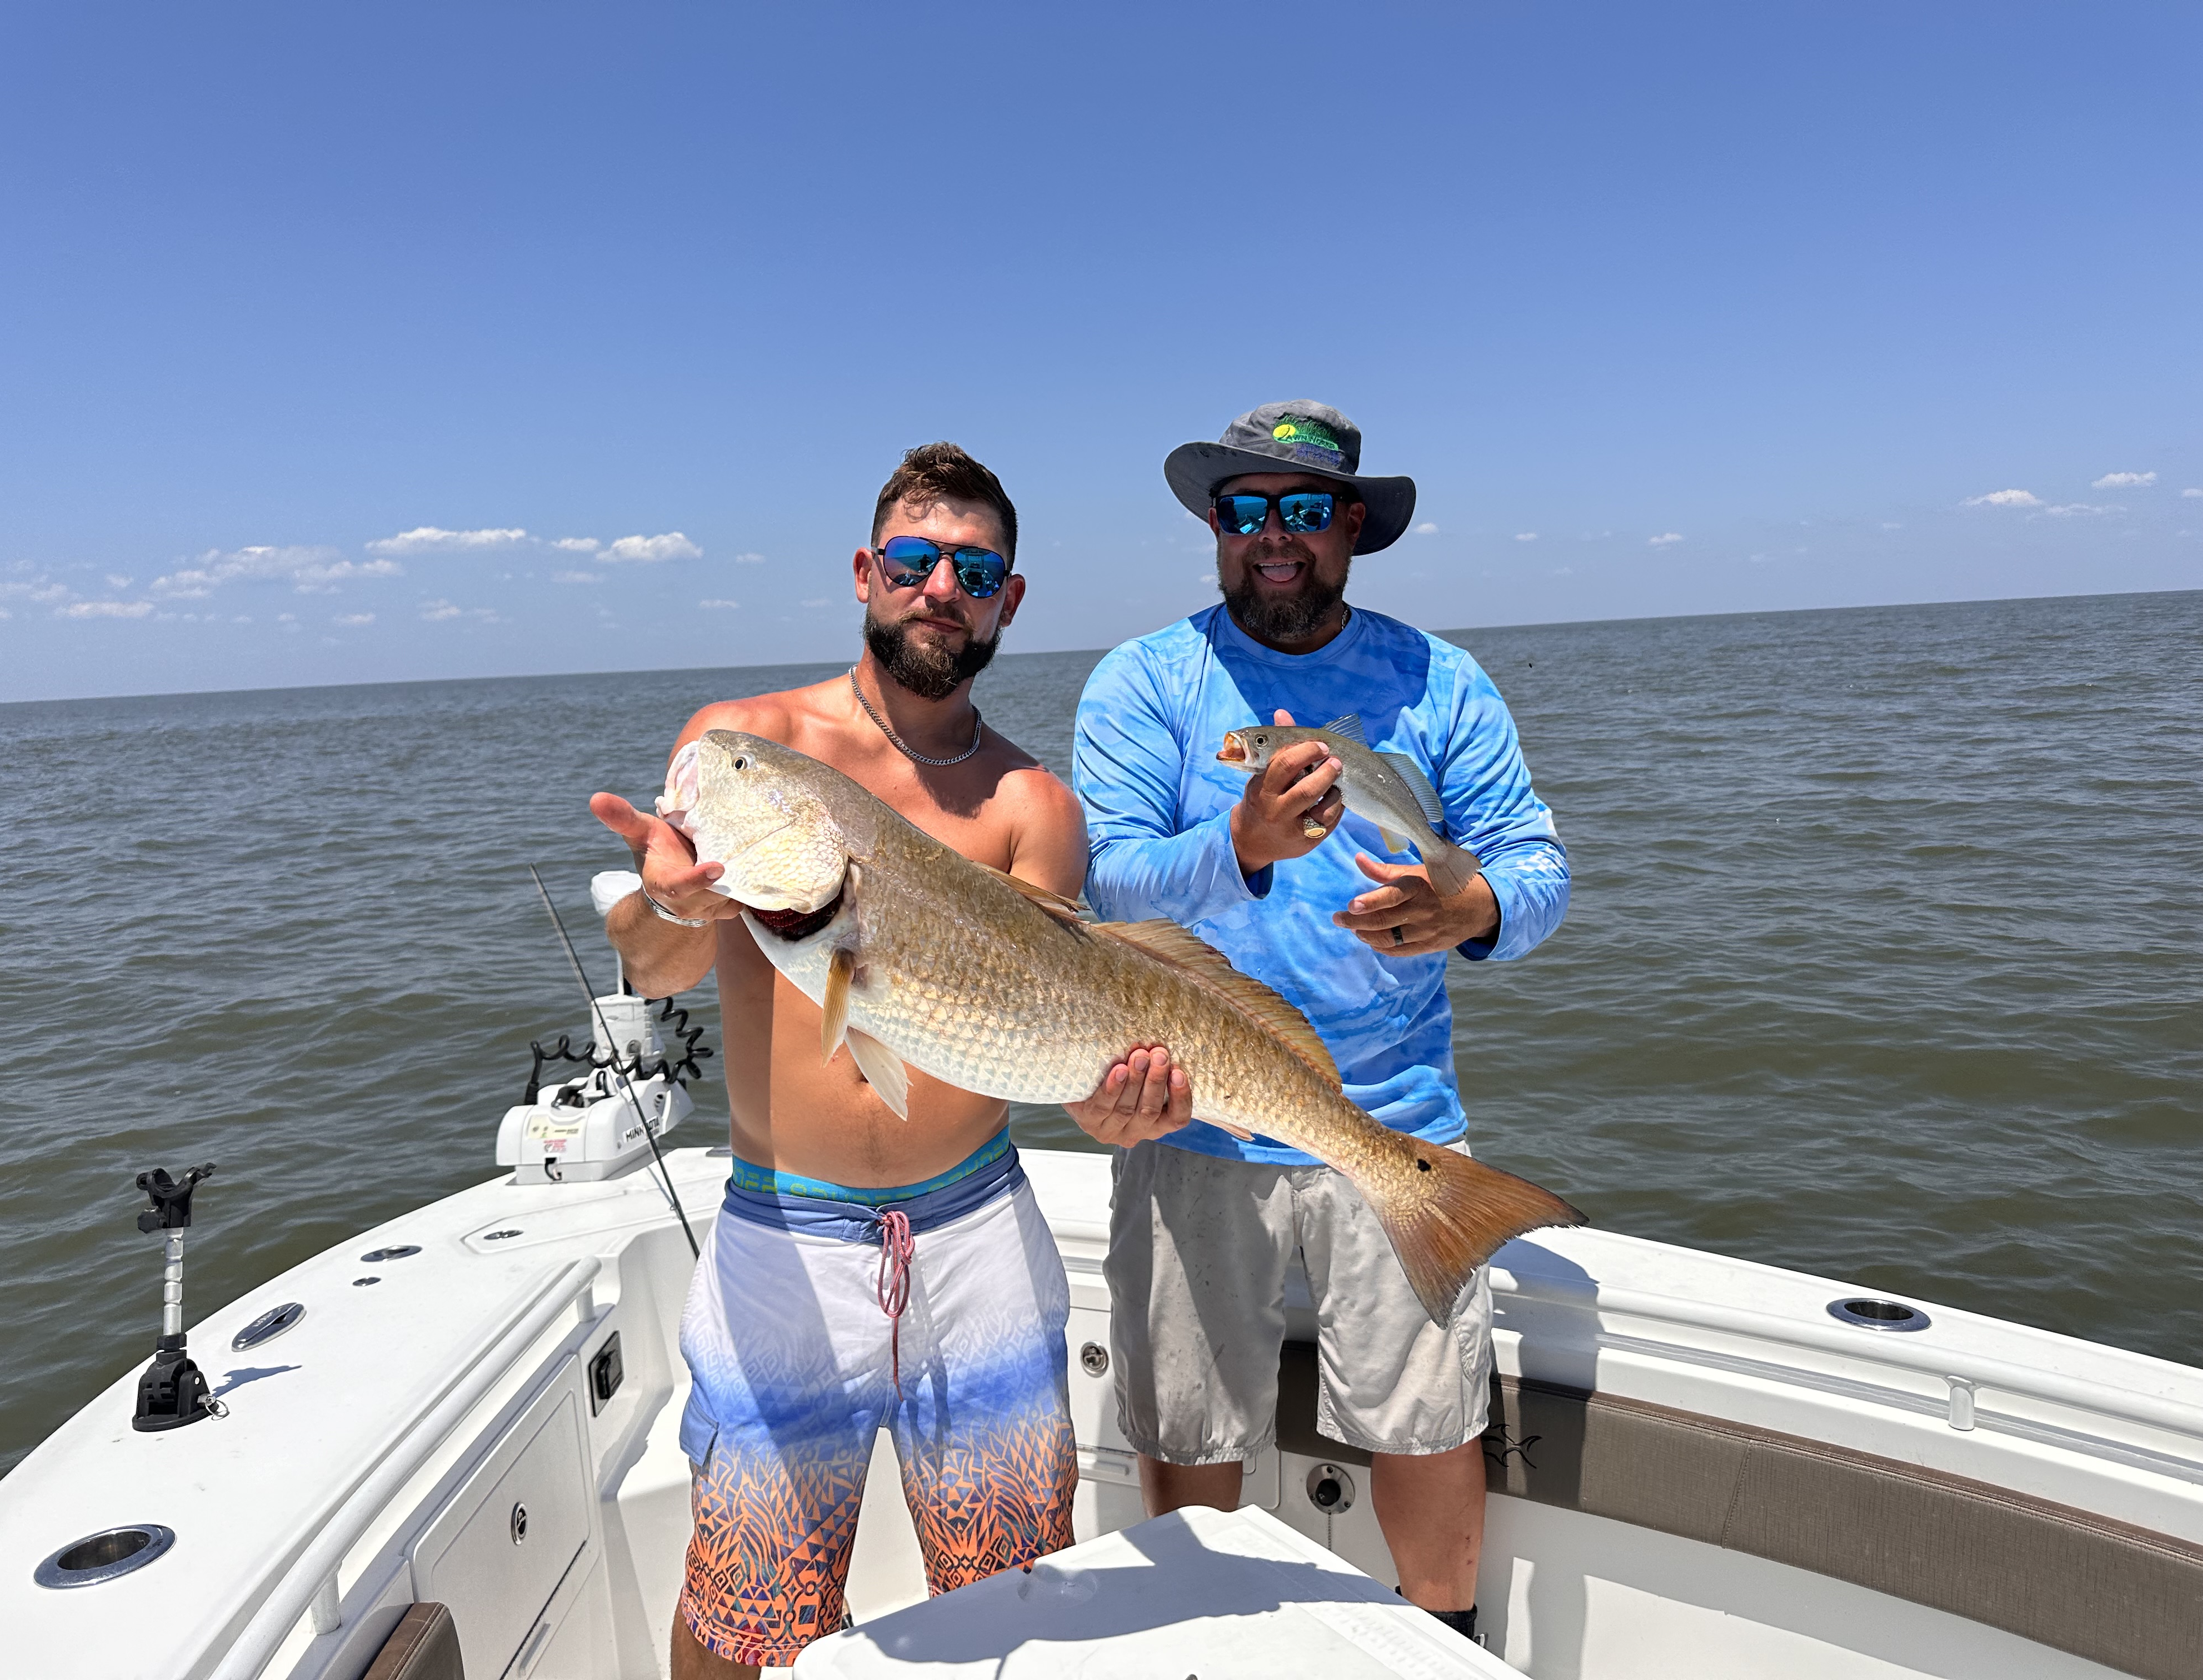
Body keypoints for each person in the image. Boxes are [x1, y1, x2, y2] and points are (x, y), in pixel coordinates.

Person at [591, 442, 1180, 1677]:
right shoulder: (747, 749)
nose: (941, 588)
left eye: (976, 570)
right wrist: (672, 903)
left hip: (978, 1237)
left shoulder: (1033, 804)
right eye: (915, 560)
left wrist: (1122, 1107)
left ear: (1010, 600)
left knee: (1014, 1588)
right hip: (782, 1238)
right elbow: (657, 966)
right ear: (866, 573)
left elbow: (1049, 1046)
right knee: (745, 1609)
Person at [1068, 400, 1570, 1644]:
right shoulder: (1144, 681)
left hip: (1393, 1118)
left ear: (1351, 526)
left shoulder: (1440, 681)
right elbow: (1107, 886)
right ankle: (1201, 1649)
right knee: (1188, 1434)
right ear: (1215, 525)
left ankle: (1444, 1648)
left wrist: (1473, 906)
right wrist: (1237, 842)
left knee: (1429, 1424)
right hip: (1191, 1116)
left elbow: (1537, 868)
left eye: (1304, 509)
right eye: (1247, 510)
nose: (1274, 535)